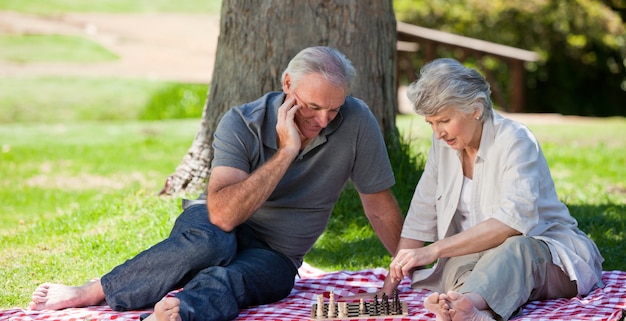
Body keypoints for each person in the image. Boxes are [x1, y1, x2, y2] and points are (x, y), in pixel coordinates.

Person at [30, 46, 404, 321]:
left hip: (277, 254)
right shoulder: (242, 122)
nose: (324, 120)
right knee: (210, 242)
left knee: (231, 278)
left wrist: (411, 266)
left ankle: (175, 314)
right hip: (214, 222)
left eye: (333, 109)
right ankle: (93, 291)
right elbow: (223, 216)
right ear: (288, 84)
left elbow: (378, 204)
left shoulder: (356, 121)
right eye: (312, 107)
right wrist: (287, 152)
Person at [381, 58, 603, 321]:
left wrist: (433, 250)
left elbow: (512, 224)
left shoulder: (515, 140)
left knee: (515, 248)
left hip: (545, 255)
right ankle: (472, 311)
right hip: (481, 260)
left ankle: (469, 305)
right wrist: (386, 292)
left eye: (444, 120)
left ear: (475, 109)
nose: (438, 133)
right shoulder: (444, 144)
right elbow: (421, 213)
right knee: (453, 263)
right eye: (431, 123)